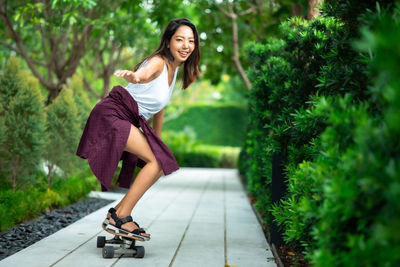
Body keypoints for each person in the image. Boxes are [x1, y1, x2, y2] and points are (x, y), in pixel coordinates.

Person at [76, 18, 200, 241]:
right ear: (169, 42)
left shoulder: (173, 71)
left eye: (190, 41)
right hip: (112, 114)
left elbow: (159, 107)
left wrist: (158, 142)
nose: (185, 46)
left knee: (158, 162)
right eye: (179, 40)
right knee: (157, 162)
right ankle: (122, 216)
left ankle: (117, 214)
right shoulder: (159, 62)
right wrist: (135, 77)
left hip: (124, 117)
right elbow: (144, 75)